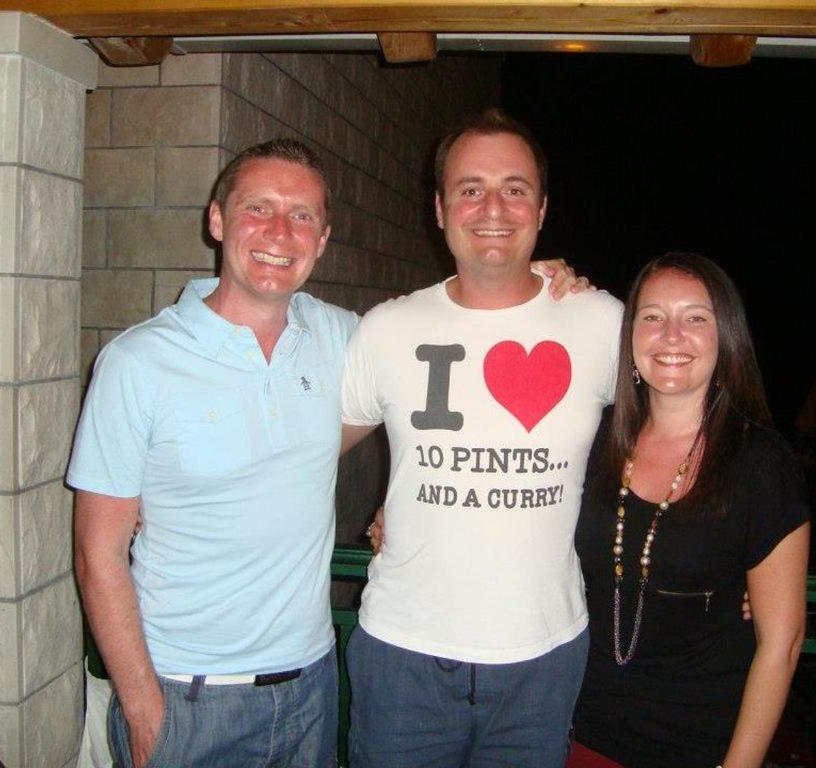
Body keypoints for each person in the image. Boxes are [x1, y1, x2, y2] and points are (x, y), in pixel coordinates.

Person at [69, 136, 584, 768]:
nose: (279, 232)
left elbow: (447, 373)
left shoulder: (348, 337)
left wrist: (537, 275)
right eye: (258, 207)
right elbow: (98, 556)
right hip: (184, 693)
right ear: (217, 218)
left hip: (311, 686)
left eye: (303, 216)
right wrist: (142, 706)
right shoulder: (136, 362)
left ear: (323, 238)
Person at [339, 108, 624, 768]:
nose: (492, 206)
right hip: (403, 660)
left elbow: (690, 421)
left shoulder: (600, 321)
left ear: (542, 209)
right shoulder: (386, 329)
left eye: (514, 188)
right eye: (471, 188)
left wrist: (743, 561)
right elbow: (306, 451)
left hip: (543, 663)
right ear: (439, 209)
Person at [571, 252, 810, 768]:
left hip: (700, 746)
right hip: (575, 732)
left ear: (725, 337)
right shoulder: (590, 441)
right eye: (652, 316)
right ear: (629, 337)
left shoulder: (760, 465)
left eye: (695, 318)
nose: (671, 335)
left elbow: (782, 643)